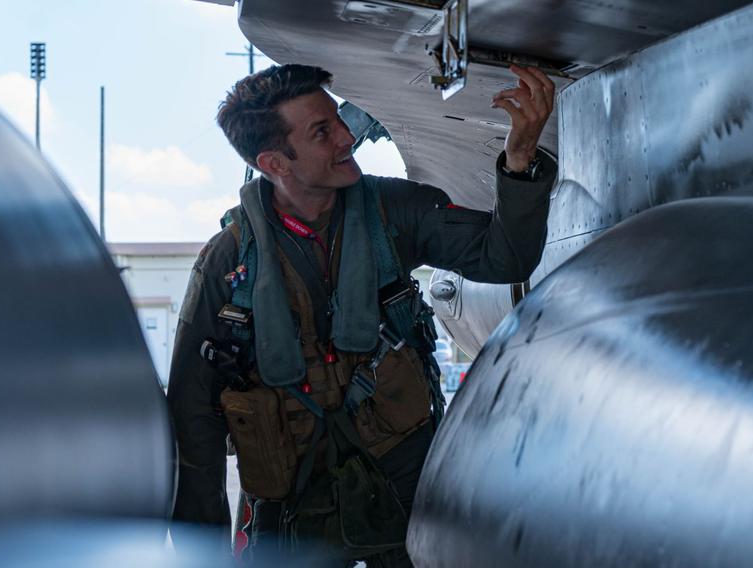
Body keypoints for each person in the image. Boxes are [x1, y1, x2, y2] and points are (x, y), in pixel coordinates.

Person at [166, 62, 556, 566]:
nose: (348, 136)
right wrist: (202, 554)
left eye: (337, 120)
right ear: (275, 162)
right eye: (322, 131)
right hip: (291, 505)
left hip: (402, 488)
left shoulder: (393, 211)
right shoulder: (229, 263)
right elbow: (194, 416)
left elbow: (505, 258)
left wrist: (520, 160)